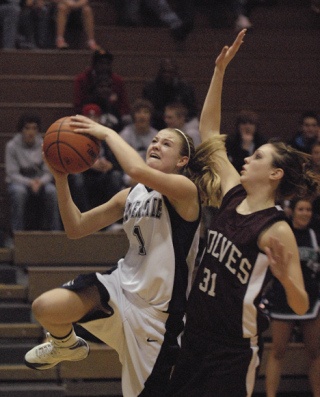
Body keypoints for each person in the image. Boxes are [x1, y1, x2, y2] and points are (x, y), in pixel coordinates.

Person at [23, 111, 223, 396]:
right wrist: (60, 177)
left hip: (158, 316)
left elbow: (137, 170)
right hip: (119, 288)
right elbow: (76, 227)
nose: (155, 145)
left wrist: (106, 133)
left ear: (182, 161)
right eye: (154, 140)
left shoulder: (185, 191)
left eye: (166, 144)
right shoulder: (131, 195)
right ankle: (65, 344)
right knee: (45, 307)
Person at [168, 29, 316, 397]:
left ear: (275, 174)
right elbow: (209, 131)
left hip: (232, 349)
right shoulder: (233, 194)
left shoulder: (275, 229)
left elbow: (301, 303)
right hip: (195, 334)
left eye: (259, 156)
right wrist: (219, 71)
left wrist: (284, 277)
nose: (248, 158)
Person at [264, 197, 320, 397]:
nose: (305, 213)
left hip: (311, 301)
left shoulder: (315, 235)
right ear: (293, 211)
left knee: (314, 353)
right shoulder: (283, 233)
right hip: (283, 298)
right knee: (278, 351)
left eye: (308, 209)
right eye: (301, 209)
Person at [5, 114, 61, 232]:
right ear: (21, 130)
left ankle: (55, 233)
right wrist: (30, 182)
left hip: (40, 181)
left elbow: (49, 172)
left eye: (34, 128)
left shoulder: (44, 145)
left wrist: (40, 182)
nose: (31, 132)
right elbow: (12, 173)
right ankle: (17, 235)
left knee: (52, 191)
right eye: (27, 128)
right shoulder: (11, 146)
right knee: (18, 192)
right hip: (19, 182)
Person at [74, 49, 131, 128]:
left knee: (127, 120)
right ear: (94, 64)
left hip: (114, 116)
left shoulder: (117, 80)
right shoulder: (82, 79)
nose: (104, 66)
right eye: (101, 63)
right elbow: (78, 105)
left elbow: (124, 105)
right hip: (90, 114)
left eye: (107, 63)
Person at [142, 57, 198, 131]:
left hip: (181, 125)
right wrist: (166, 117)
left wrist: (178, 117)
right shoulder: (150, 88)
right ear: (160, 72)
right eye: (165, 72)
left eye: (170, 72)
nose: (167, 75)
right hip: (156, 125)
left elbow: (192, 110)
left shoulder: (185, 88)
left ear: (175, 72)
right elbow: (146, 109)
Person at [119, 98, 158, 186]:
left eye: (146, 112)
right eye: (138, 112)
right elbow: (123, 163)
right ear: (133, 116)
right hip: (130, 174)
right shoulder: (125, 135)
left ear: (151, 116)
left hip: (152, 174)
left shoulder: (157, 136)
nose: (142, 116)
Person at [226, 109, 266, 173]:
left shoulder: (263, 142)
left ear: (256, 126)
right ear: (238, 126)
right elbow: (234, 166)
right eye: (244, 123)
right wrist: (245, 146)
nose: (247, 127)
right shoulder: (230, 142)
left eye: (251, 123)